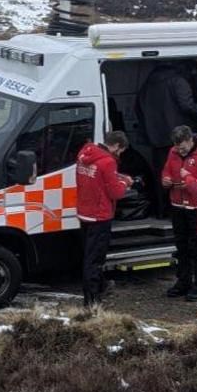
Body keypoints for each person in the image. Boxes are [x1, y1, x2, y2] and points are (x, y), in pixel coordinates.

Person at [135, 62, 197, 217]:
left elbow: (138, 109)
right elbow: (186, 105)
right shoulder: (177, 81)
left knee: (162, 177)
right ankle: (180, 213)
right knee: (182, 176)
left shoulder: (146, 86)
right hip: (179, 138)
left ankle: (163, 211)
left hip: (156, 139)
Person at [75, 131, 132, 310]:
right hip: (100, 215)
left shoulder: (85, 153)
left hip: (84, 211)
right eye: (120, 151)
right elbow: (115, 192)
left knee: (88, 254)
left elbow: (97, 178)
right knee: (95, 260)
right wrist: (125, 183)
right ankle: (91, 300)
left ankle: (101, 286)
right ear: (116, 146)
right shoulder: (108, 162)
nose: (119, 154)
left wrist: (117, 176)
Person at [161, 125, 197, 301]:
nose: (179, 150)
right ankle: (183, 281)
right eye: (177, 147)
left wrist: (190, 182)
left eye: (182, 147)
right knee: (181, 247)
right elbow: (167, 170)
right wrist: (165, 179)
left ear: (190, 140)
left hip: (195, 207)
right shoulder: (173, 152)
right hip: (177, 204)